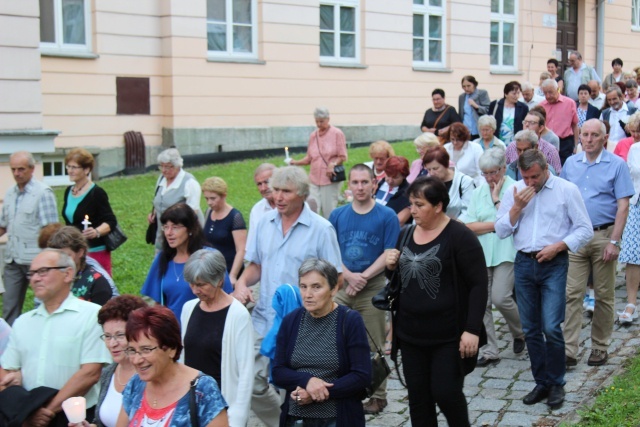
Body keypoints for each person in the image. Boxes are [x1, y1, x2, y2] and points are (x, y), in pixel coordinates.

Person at [232, 166, 342, 427]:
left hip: (304, 324)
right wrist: (241, 283)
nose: (278, 197)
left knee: (293, 385)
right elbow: (256, 265)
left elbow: (336, 277)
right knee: (252, 381)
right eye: (276, 190)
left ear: (302, 195)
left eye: (286, 191)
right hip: (263, 320)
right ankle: (281, 421)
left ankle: (295, 419)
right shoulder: (263, 223)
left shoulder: (321, 229)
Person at [385, 176, 487, 426]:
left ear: (438, 205)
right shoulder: (406, 233)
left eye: (419, 205)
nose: (413, 210)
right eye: (411, 204)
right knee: (418, 399)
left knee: (446, 392)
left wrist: (472, 329)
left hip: (448, 335)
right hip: (410, 334)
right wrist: (390, 267)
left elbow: (479, 285)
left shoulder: (460, 236)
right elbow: (401, 279)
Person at [495, 150, 593, 409]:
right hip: (524, 263)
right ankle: (542, 382)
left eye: (535, 177)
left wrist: (560, 246)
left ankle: (557, 383)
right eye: (525, 177)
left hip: (554, 263)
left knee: (551, 326)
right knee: (530, 329)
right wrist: (516, 208)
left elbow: (585, 228)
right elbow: (501, 230)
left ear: (546, 168)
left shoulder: (565, 189)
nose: (530, 183)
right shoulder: (515, 190)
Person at [0, 249, 112, 424]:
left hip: (74, 418)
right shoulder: (23, 322)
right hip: (29, 417)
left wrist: (47, 411)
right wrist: (26, 409)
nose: (35, 278)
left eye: (43, 271)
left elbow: (90, 373)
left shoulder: (91, 315)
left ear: (67, 274)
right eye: (32, 273)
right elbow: (8, 371)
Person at [561, 119, 634, 367]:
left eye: (594, 135)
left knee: (603, 295)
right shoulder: (571, 164)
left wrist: (615, 241)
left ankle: (600, 346)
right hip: (576, 237)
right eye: (585, 134)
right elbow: (561, 199)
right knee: (572, 294)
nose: (589, 139)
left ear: (604, 138)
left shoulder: (617, 165)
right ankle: (569, 349)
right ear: (579, 137)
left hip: (604, 235)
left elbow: (623, 205)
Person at [330, 164, 400, 415]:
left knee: (375, 343)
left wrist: (364, 276)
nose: (360, 187)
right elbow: (331, 250)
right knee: (333, 337)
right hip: (343, 284)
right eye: (355, 182)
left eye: (364, 182)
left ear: (374, 183)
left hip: (372, 286)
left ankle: (379, 396)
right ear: (349, 184)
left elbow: (389, 252)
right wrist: (349, 276)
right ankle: (339, 388)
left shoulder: (386, 215)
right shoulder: (337, 215)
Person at [272, 258, 371, 427]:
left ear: (333, 289)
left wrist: (318, 392)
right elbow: (278, 372)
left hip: (337, 417)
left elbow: (361, 376)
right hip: (296, 418)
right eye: (303, 286)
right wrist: (306, 381)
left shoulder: (349, 320)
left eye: (316, 287)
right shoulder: (291, 321)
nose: (308, 294)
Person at [460, 148, 525, 367]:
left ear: (503, 168)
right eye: (485, 173)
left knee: (501, 297)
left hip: (507, 251)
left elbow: (512, 222)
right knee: (481, 303)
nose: (489, 178)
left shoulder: (515, 188)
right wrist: (496, 226)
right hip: (482, 253)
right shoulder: (478, 191)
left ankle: (520, 332)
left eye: (493, 172)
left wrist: (495, 216)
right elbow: (469, 225)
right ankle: (490, 350)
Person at [117, 305, 229, 426]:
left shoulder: (202, 390)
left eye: (146, 349)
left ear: (171, 349)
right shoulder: (135, 384)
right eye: (132, 350)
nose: (136, 360)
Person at [181, 249, 254, 427]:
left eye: (201, 285)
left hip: (221, 407)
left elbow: (246, 372)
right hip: (190, 402)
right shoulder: (188, 308)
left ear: (220, 280)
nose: (195, 290)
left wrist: (237, 417)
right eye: (192, 284)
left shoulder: (238, 315)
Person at [142, 203, 232, 320]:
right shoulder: (163, 258)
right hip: (173, 332)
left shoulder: (209, 257)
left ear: (190, 229)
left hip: (205, 327)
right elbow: (158, 304)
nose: (169, 233)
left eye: (175, 227)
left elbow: (227, 297)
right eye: (166, 226)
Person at [0, 151, 58, 325]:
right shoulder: (10, 193)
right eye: (13, 170)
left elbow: (51, 232)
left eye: (21, 169)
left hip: (36, 260)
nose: (17, 173)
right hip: (13, 259)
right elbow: (3, 225)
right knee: (9, 306)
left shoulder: (43, 193)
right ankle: (9, 344)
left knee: (41, 305)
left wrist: (47, 261)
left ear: (32, 169)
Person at [93, 295, 147, 427]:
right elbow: (102, 421)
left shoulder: (150, 376)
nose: (112, 344)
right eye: (107, 336)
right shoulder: (108, 374)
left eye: (119, 335)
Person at [62, 148, 117, 275]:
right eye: (68, 167)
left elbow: (110, 221)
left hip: (95, 251)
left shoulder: (97, 193)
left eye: (74, 167)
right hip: (75, 252)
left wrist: (96, 232)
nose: (70, 171)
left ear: (86, 170)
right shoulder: (68, 191)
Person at [289, 107, 348, 220]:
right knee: (311, 208)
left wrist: (332, 164)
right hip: (314, 179)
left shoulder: (337, 133)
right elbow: (309, 158)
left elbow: (343, 156)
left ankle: (330, 234)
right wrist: (295, 162)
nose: (319, 124)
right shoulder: (313, 136)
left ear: (328, 119)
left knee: (328, 211)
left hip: (329, 179)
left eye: (322, 121)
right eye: (317, 121)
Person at [148, 148, 203, 250]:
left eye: (168, 167)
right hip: (163, 233)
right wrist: (155, 212)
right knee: (161, 260)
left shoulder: (189, 182)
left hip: (181, 237)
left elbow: (192, 213)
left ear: (178, 166)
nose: (164, 170)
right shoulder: (161, 179)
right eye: (162, 166)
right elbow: (160, 199)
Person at [47, 226, 114, 305]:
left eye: (66, 256)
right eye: (56, 257)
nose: (61, 261)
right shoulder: (49, 278)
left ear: (80, 252)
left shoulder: (97, 283)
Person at [201, 177, 247, 285]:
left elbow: (241, 250)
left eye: (213, 198)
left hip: (229, 270)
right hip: (212, 271)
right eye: (206, 198)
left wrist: (233, 275)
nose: (209, 202)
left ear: (223, 196)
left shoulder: (235, 217)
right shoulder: (208, 212)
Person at [618, 142, 640, 324]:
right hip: (637, 204)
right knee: (633, 255)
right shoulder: (635, 149)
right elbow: (631, 178)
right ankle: (631, 303)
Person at [423, 146, 474, 219]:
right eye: (428, 169)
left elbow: (468, 212)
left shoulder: (465, 181)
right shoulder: (426, 183)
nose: (431, 173)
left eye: (435, 168)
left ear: (446, 165)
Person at [540, 78, 579, 164]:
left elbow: (575, 125)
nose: (548, 96)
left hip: (565, 142)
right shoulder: (541, 105)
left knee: (564, 167)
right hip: (547, 141)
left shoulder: (570, 103)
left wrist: (576, 145)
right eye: (545, 93)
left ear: (558, 90)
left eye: (550, 92)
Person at [374, 157, 412, 226]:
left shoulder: (409, 193)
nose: (390, 180)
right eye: (388, 176)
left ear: (404, 176)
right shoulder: (380, 184)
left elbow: (399, 222)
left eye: (395, 177)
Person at [247, 163, 277, 250]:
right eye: (259, 184)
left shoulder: (292, 206)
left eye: (267, 182)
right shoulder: (257, 210)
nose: (263, 188)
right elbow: (251, 246)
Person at [600, 86, 637, 152]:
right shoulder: (604, 113)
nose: (612, 102)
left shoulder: (632, 111)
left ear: (621, 97)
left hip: (626, 148)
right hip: (609, 149)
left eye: (614, 99)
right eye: (609, 100)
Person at [458, 75, 491, 140]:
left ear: (474, 84)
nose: (466, 89)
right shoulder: (462, 97)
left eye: (468, 86)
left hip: (478, 131)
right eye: (464, 86)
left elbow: (488, 110)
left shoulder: (482, 93)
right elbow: (461, 114)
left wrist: (476, 106)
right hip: (466, 131)